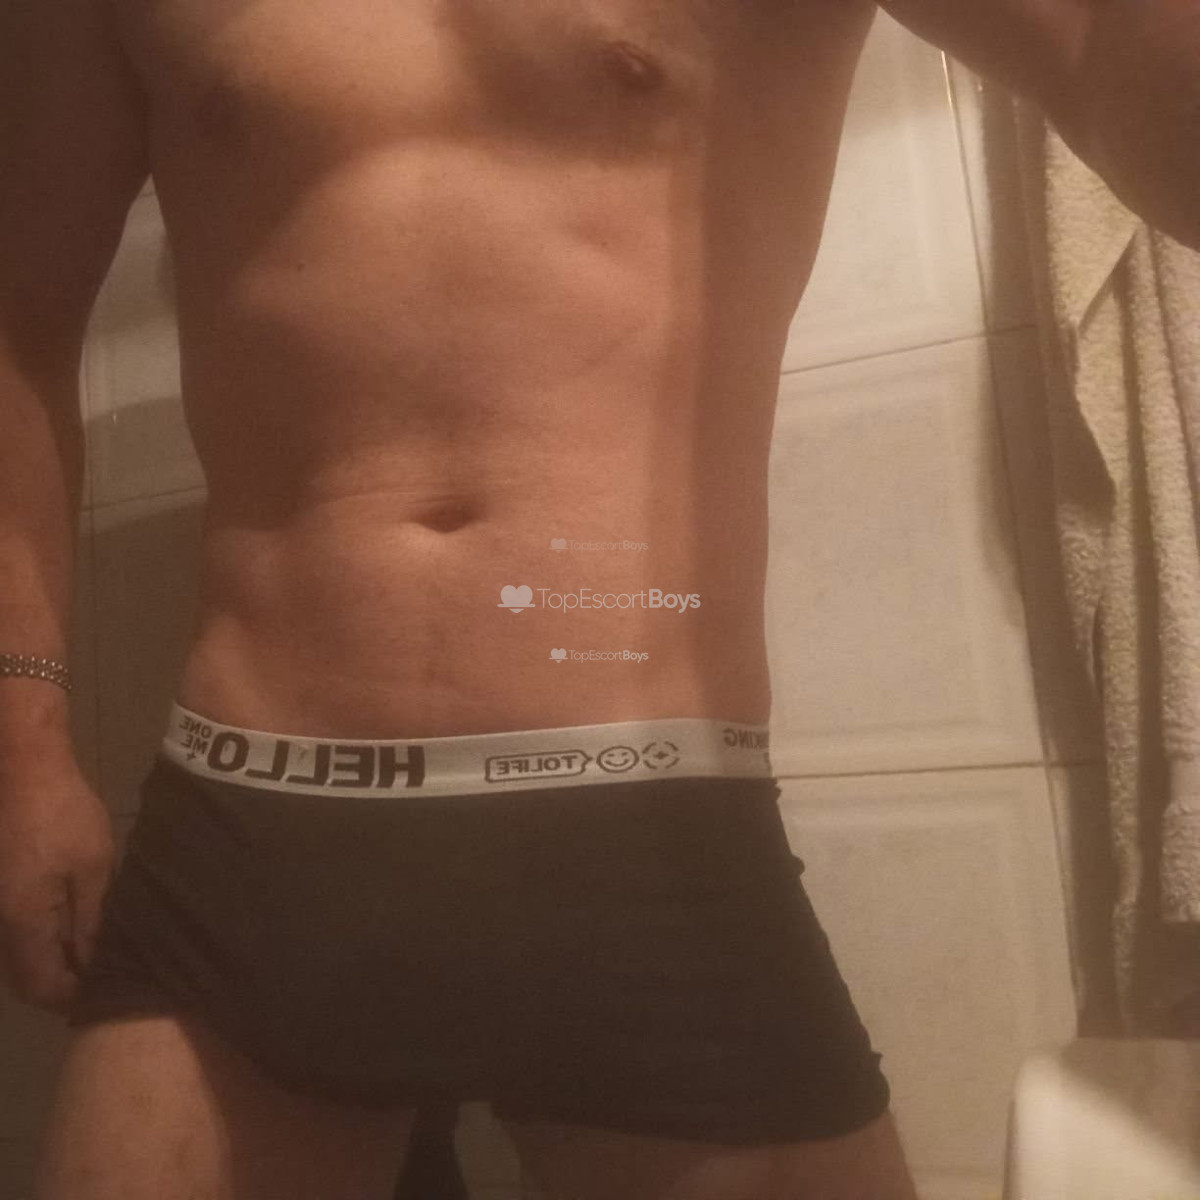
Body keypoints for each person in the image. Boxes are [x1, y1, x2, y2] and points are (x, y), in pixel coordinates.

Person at [0, 1, 1196, 1198]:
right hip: (240, 829)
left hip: (650, 822)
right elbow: (21, 320)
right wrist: (26, 745)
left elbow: (1105, 49)